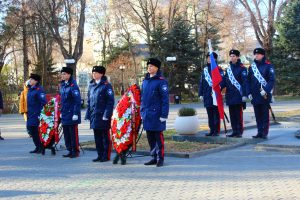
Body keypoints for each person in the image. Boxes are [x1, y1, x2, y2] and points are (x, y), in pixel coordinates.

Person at [141, 58, 169, 167]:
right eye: (148, 66)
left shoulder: (161, 81)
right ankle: (153, 157)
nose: (149, 67)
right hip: (147, 115)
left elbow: (165, 100)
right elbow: (143, 98)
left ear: (157, 68)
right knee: (150, 138)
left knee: (158, 138)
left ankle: (160, 158)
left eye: (151, 66)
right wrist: (142, 111)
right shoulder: (145, 81)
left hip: (157, 115)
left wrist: (164, 115)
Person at [85, 66, 114, 162]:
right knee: (97, 137)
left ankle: (106, 156)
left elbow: (110, 102)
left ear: (101, 74)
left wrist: (107, 114)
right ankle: (99, 155)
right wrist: (88, 114)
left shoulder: (106, 86)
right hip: (94, 115)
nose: (94, 74)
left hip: (103, 116)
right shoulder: (91, 85)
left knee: (105, 137)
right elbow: (89, 101)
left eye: (96, 72)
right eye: (93, 72)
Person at [246, 48, 275, 139]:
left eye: (258, 54)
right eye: (255, 54)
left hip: (264, 95)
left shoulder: (268, 66)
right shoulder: (252, 67)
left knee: (264, 115)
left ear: (262, 55)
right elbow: (248, 81)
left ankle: (264, 132)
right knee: (257, 115)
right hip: (254, 95)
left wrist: (265, 90)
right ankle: (259, 132)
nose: (256, 55)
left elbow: (271, 80)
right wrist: (249, 92)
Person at [220, 50, 247, 138]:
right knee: (232, 115)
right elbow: (224, 81)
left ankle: (239, 131)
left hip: (238, 95)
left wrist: (244, 95)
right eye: (231, 56)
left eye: (234, 56)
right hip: (230, 95)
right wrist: (219, 87)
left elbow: (244, 82)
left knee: (238, 115)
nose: (232, 57)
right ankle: (234, 131)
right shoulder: (228, 69)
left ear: (238, 57)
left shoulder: (242, 68)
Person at [198, 52, 223, 136]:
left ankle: (216, 130)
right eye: (207, 58)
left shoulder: (218, 70)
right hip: (207, 95)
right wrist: (200, 94)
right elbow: (201, 83)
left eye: (210, 58)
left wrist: (218, 89)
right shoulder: (204, 70)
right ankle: (211, 130)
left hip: (215, 95)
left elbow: (222, 82)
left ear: (214, 59)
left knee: (216, 113)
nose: (209, 59)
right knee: (210, 114)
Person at [60, 67, 81, 158]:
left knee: (73, 134)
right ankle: (69, 150)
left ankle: (75, 151)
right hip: (65, 113)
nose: (62, 75)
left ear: (69, 75)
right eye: (62, 74)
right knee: (66, 134)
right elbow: (63, 100)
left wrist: (76, 113)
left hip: (72, 113)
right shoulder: (63, 85)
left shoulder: (73, 86)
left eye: (64, 74)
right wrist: (61, 111)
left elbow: (77, 101)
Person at [27, 74, 47, 153]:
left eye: (31, 79)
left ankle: (40, 147)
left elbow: (43, 102)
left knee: (35, 130)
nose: (30, 80)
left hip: (36, 113)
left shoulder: (39, 90)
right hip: (30, 113)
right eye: (30, 79)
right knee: (31, 130)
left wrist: (40, 113)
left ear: (36, 81)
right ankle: (37, 146)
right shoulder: (30, 89)